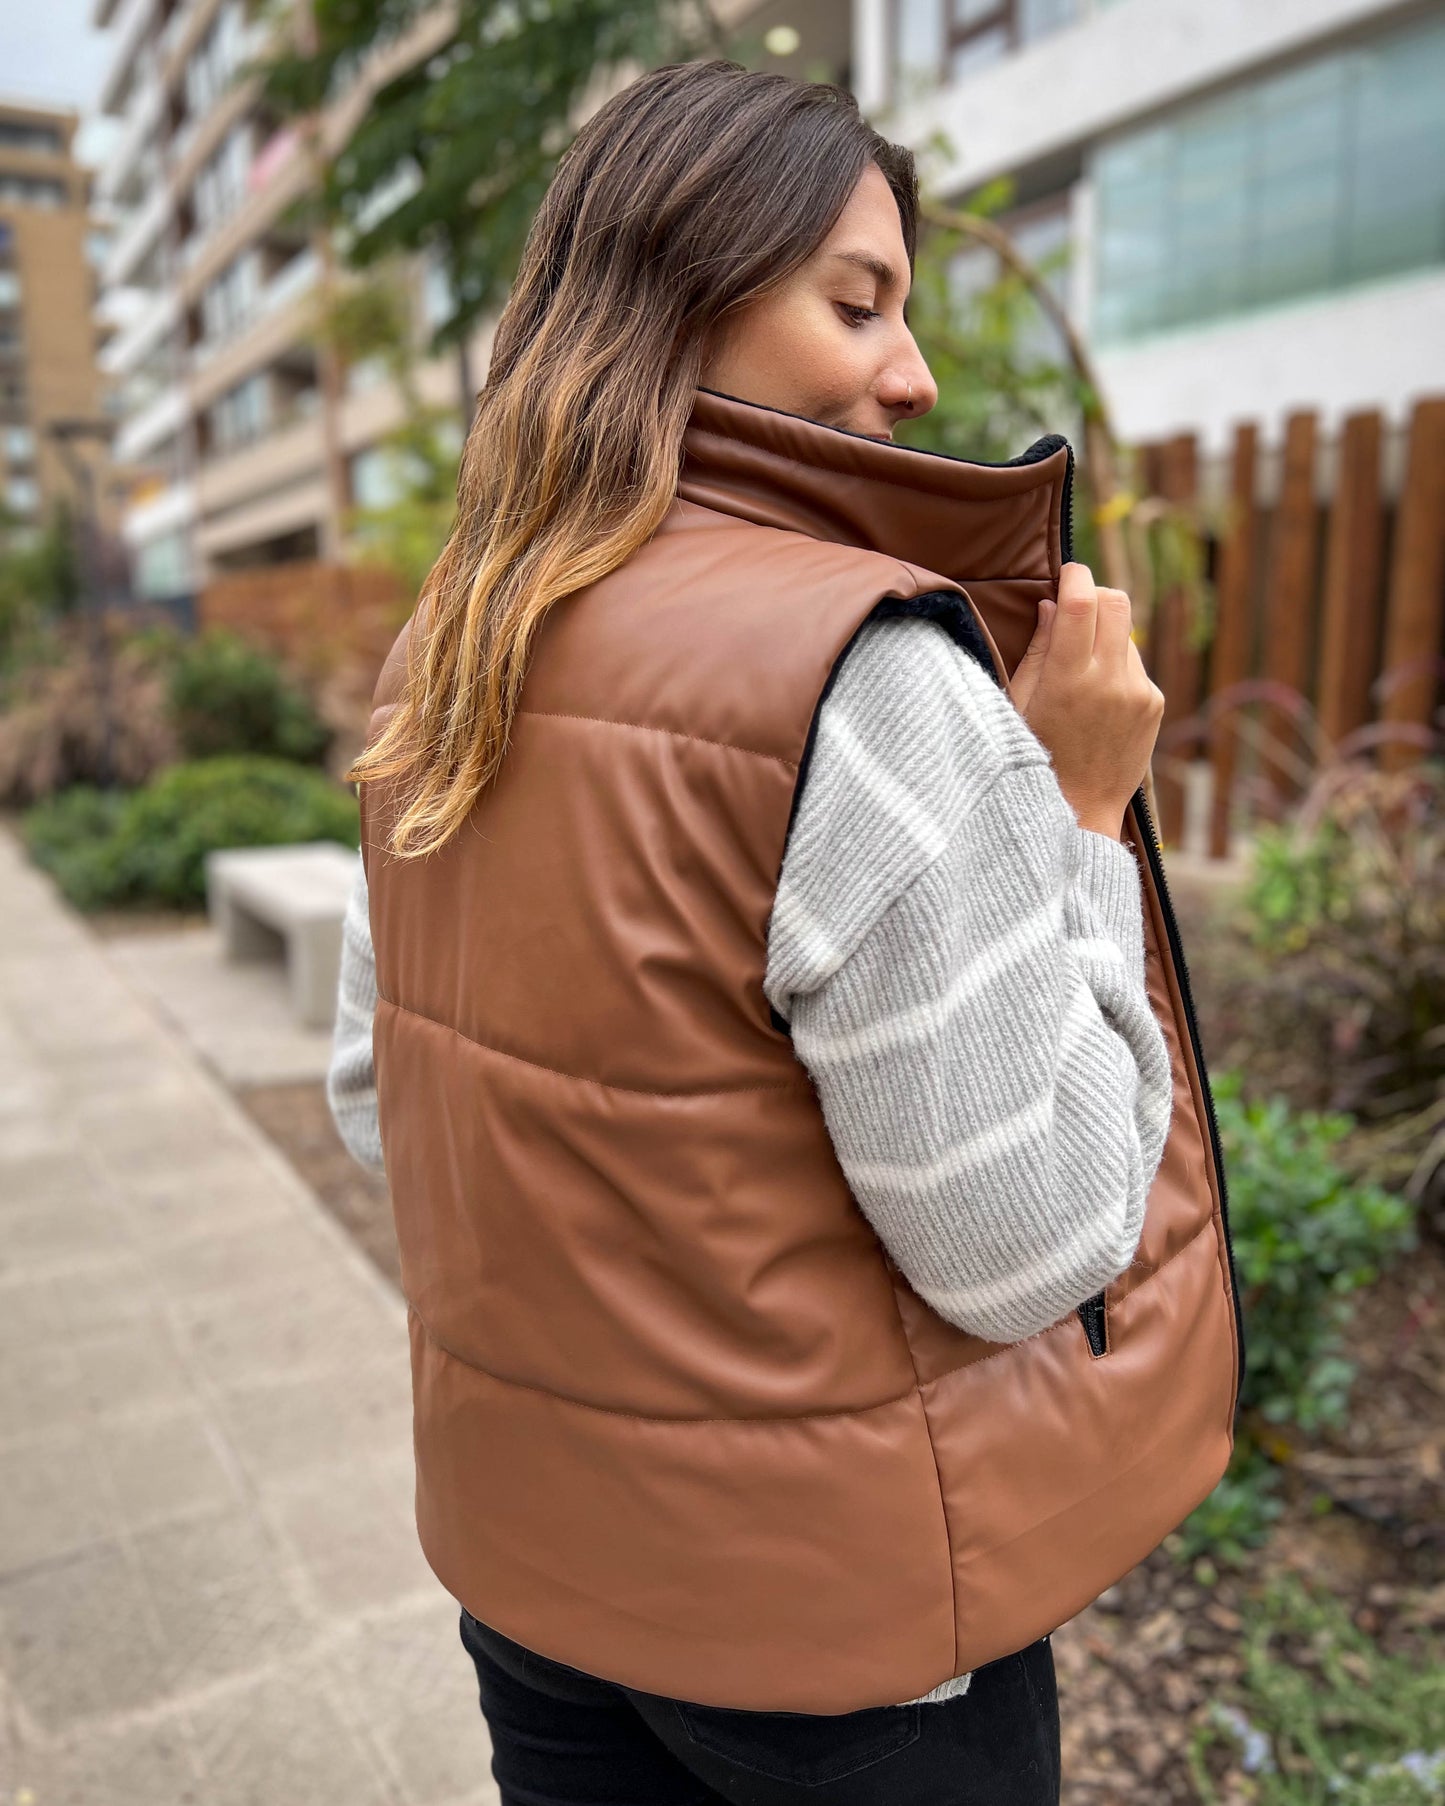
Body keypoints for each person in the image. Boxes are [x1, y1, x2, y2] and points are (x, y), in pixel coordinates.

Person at [327, 57, 1178, 1806]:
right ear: (684, 282)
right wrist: (1084, 811)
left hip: (537, 1577)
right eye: (855, 301)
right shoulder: (867, 672)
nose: (913, 371)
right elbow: (1029, 1243)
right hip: (834, 1643)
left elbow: (376, 1100)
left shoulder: (455, 648)